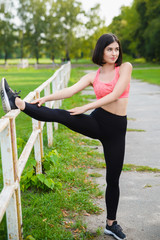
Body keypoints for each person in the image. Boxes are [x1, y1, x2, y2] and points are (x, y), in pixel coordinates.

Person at [0, 33, 132, 240]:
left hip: (116, 128)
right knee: (62, 116)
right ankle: (16, 101)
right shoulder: (93, 76)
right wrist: (46, 97)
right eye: (109, 49)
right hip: (98, 122)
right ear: (101, 51)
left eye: (116, 49)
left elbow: (115, 94)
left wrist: (86, 107)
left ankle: (111, 224)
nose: (114, 53)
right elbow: (69, 91)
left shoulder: (125, 68)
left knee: (113, 178)